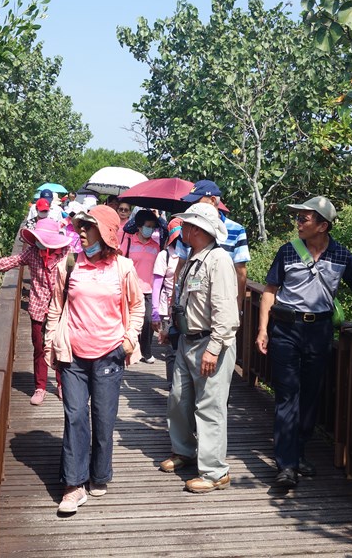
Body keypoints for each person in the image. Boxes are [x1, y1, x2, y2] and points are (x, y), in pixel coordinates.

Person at [255, 196, 352, 489]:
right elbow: (269, 291)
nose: (298, 223)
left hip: (320, 330)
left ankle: (298, 452)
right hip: (286, 328)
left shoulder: (342, 255)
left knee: (311, 394)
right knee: (288, 395)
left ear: (323, 225)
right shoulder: (287, 252)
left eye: (304, 219)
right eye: (298, 218)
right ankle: (286, 465)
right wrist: (263, 329)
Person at [44, 205, 144, 514]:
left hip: (109, 355)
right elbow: (56, 308)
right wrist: (51, 344)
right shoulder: (68, 265)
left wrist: (128, 339)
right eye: (81, 227)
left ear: (106, 232)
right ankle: (73, 485)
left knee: (103, 417)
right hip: (73, 355)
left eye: (89, 227)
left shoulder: (123, 268)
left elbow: (136, 305)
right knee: (75, 416)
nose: (82, 233)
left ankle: (100, 474)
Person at [161, 203, 239, 493]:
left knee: (209, 407)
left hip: (209, 342)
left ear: (198, 229)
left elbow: (226, 312)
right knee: (179, 398)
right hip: (187, 339)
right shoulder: (194, 257)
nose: (183, 229)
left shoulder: (218, 259)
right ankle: (184, 450)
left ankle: (214, 471)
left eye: (187, 225)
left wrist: (214, 348)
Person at [0, 218, 70, 405]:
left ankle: (61, 384)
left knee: (61, 347)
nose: (38, 244)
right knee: (39, 349)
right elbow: (9, 261)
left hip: (60, 309)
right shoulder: (32, 253)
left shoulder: (67, 255)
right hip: (37, 308)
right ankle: (40, 387)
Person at [178, 180, 250, 313]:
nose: (192, 206)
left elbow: (240, 271)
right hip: (191, 305)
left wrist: (238, 305)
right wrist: (174, 302)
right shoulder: (187, 230)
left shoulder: (237, 230)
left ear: (212, 200)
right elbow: (180, 266)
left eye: (196, 201)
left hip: (221, 302)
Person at [120, 209, 161, 364]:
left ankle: (146, 350)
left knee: (149, 320)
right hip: (130, 288)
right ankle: (133, 349)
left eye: (152, 226)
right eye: (147, 226)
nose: (149, 229)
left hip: (149, 289)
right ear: (139, 226)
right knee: (130, 320)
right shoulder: (128, 241)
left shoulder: (156, 246)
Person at [152, 217, 182, 385]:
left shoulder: (191, 252)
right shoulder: (164, 256)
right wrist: (155, 312)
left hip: (184, 306)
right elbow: (157, 284)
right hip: (167, 306)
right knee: (171, 348)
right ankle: (172, 384)